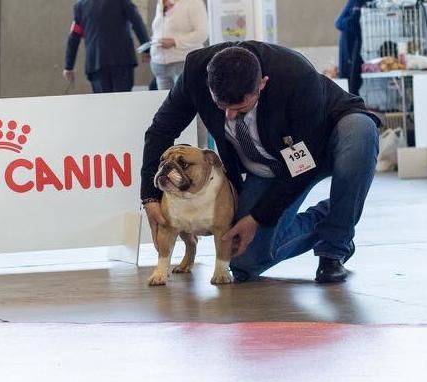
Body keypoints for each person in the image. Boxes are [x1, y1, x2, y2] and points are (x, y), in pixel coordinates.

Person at [141, 41, 380, 284]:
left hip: (323, 141)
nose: (230, 116)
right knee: (244, 259)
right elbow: (160, 130)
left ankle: (334, 247)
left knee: (360, 131)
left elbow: (303, 165)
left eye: (240, 108)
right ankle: (335, 213)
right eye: (221, 106)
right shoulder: (194, 72)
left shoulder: (296, 76)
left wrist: (258, 216)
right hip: (268, 166)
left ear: (262, 84)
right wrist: (149, 197)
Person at [63, 0, 150, 93]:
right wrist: (146, 48)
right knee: (123, 102)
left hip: (96, 63)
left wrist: (69, 66)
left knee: (103, 103)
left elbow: (74, 36)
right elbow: (137, 21)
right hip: (122, 60)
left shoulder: (81, 5)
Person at [149, 0, 208, 90]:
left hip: (183, 63)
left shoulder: (193, 2)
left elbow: (202, 34)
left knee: (184, 102)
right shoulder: (161, 2)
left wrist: (175, 42)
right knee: (164, 101)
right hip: (160, 65)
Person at [335, 0, 367, 95]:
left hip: (362, 50)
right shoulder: (355, 2)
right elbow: (338, 23)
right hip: (351, 49)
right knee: (351, 86)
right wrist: (353, 22)